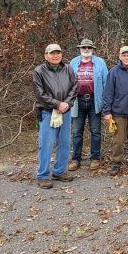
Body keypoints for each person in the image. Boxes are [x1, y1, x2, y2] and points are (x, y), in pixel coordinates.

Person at [32, 43, 78, 188]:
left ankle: (59, 171)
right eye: (52, 53)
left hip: (65, 111)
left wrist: (66, 104)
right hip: (47, 112)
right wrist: (57, 104)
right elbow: (40, 94)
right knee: (46, 144)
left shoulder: (68, 69)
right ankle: (43, 175)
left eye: (58, 52)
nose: (55, 55)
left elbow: (75, 87)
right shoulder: (39, 71)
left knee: (64, 143)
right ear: (46, 55)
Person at [102, 46, 128, 175]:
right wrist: (107, 111)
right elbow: (108, 92)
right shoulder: (114, 71)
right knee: (118, 140)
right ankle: (116, 163)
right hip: (118, 112)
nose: (126, 57)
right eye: (123, 55)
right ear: (120, 57)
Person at [68, 39, 109, 172]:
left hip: (94, 101)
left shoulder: (100, 63)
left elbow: (106, 83)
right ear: (80, 49)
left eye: (89, 47)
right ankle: (75, 159)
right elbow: (68, 83)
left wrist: (105, 103)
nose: (86, 49)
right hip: (77, 102)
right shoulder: (73, 62)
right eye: (84, 47)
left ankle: (95, 158)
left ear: (93, 49)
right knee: (77, 132)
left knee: (96, 131)